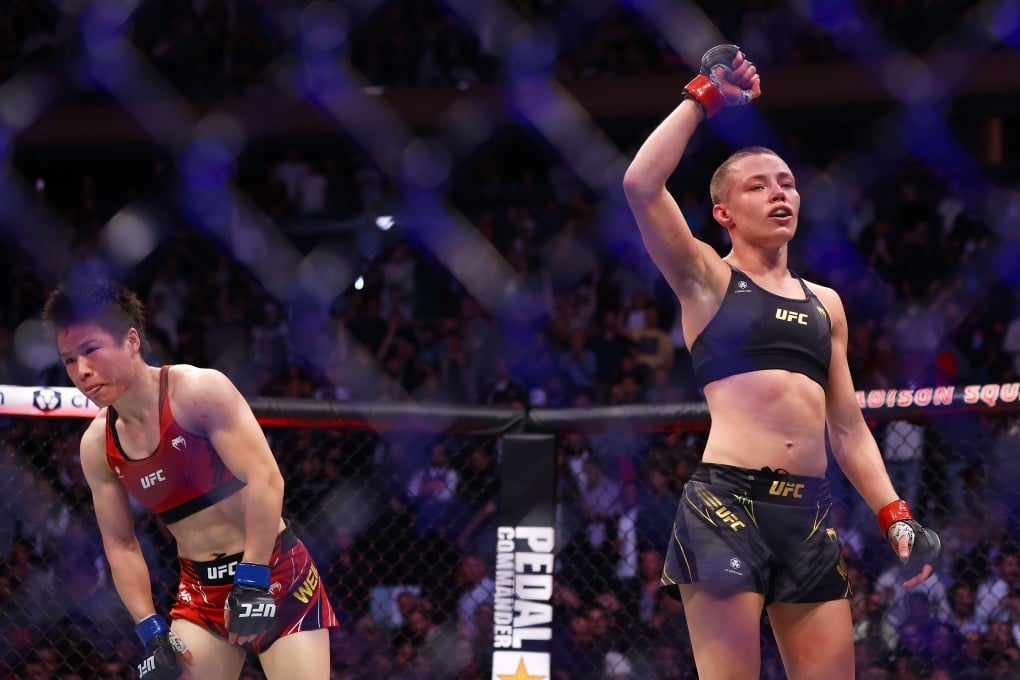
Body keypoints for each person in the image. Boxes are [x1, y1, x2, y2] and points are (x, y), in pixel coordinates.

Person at [622, 45, 940, 679]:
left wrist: (895, 516)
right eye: (757, 186)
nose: (778, 194)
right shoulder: (706, 280)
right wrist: (703, 96)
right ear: (723, 214)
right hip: (726, 505)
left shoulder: (827, 305)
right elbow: (639, 183)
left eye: (788, 183)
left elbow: (847, 428)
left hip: (811, 510)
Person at [42, 281, 338, 679]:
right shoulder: (97, 445)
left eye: (91, 350)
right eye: (69, 360)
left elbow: (266, 479)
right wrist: (150, 629)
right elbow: (120, 543)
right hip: (199, 593)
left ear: (131, 341)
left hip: (273, 570)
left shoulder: (198, 392)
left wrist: (252, 580)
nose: (82, 371)